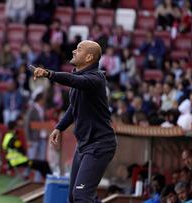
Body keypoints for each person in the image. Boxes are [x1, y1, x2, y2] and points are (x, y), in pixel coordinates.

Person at [31, 40, 117, 202]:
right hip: (84, 145)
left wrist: (49, 73)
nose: (73, 52)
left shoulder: (96, 78)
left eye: (79, 49)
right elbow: (73, 108)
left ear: (89, 57)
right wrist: (59, 127)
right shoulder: (79, 77)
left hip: (99, 144)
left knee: (81, 195)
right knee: (73, 197)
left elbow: (73, 81)